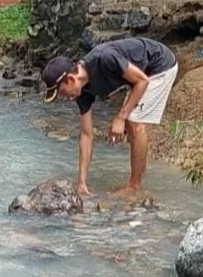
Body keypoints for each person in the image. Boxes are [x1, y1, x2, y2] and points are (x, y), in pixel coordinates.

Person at [41, 37, 179, 199]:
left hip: (160, 65)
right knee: (130, 120)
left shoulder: (104, 58)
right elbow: (86, 134)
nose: (66, 98)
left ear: (71, 79)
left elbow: (142, 81)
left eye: (63, 92)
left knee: (132, 121)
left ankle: (134, 187)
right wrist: (82, 183)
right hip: (140, 74)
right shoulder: (81, 93)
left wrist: (120, 117)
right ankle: (134, 183)